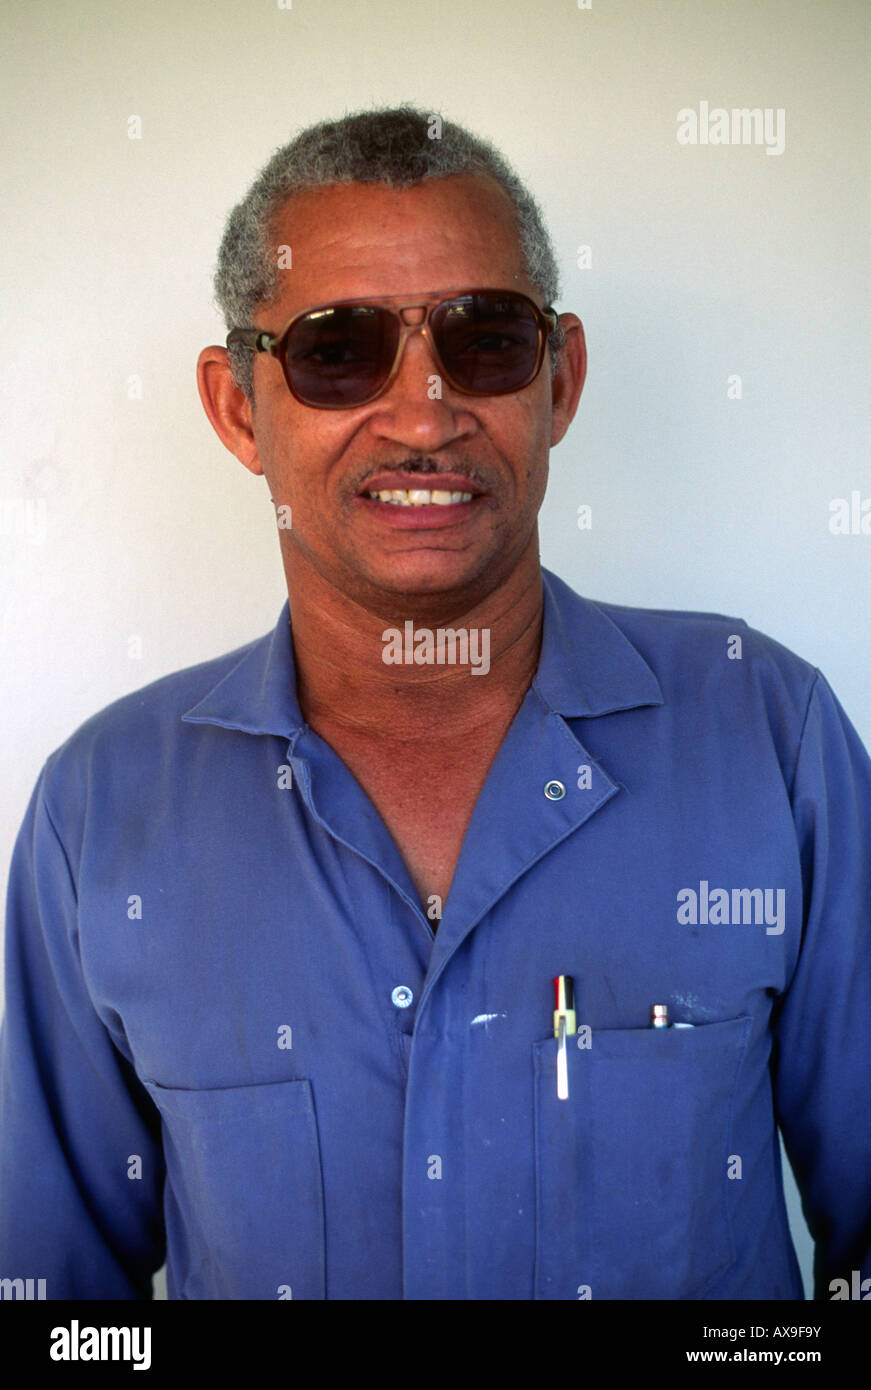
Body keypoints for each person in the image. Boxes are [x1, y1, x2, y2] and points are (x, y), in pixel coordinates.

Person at [1, 105, 869, 1302]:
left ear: (558, 378)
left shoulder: (772, 740)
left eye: (485, 338)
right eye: (338, 349)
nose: (422, 414)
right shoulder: (98, 816)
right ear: (237, 406)